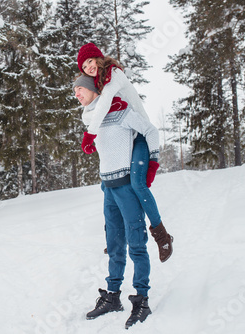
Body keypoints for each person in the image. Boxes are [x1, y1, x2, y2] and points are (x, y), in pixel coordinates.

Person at [77, 42, 173, 263]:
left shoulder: (114, 74)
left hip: (140, 135)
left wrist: (90, 134)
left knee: (137, 184)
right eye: (84, 66)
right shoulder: (100, 83)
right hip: (126, 135)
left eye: (90, 61)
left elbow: (104, 105)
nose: (89, 67)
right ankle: (115, 238)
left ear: (99, 59)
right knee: (112, 186)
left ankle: (162, 236)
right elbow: (94, 109)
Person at [73, 75, 156, 329]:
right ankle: (112, 296)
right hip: (108, 188)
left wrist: (152, 162)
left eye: (79, 89)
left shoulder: (119, 108)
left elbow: (150, 130)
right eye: (74, 91)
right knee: (114, 244)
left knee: (136, 244)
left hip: (126, 186)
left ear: (92, 89)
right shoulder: (90, 118)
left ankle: (142, 299)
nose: (76, 94)